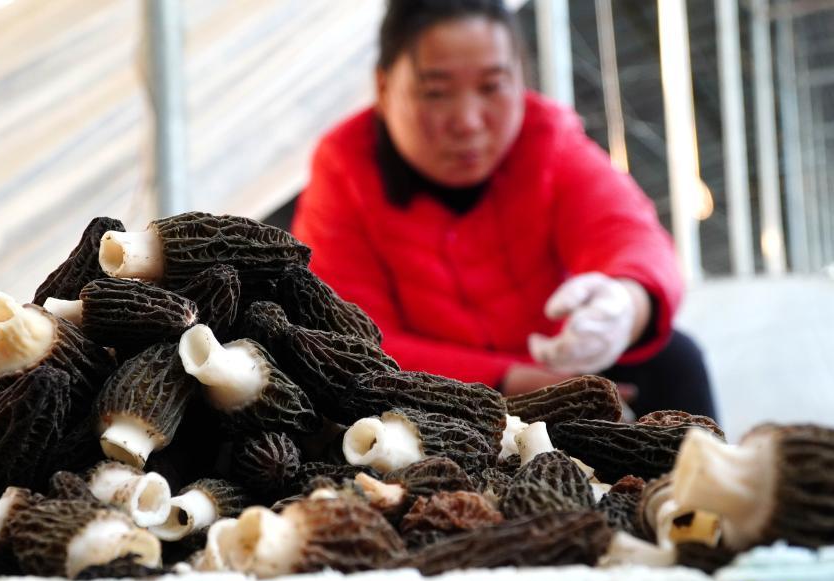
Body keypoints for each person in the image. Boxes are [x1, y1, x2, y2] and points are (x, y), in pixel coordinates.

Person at [291, 0, 716, 419]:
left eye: (492, 86)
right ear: (384, 89)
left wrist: (624, 302)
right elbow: (346, 336)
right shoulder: (345, 168)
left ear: (520, 79)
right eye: (435, 92)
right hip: (428, 400)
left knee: (674, 360)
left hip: (564, 362)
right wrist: (510, 381)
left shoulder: (547, 139)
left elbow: (626, 232)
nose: (468, 121)